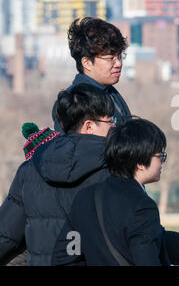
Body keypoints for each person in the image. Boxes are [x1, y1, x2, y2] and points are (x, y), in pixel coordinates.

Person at [52, 118, 179, 266]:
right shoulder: (141, 206)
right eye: (160, 155)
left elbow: (66, 255)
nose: (162, 161)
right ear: (139, 162)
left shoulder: (85, 197)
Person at [0, 84, 116, 265]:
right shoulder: (114, 169)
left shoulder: (28, 170)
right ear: (89, 126)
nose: (114, 126)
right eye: (110, 121)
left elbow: (6, 235)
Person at [52, 17, 131, 133]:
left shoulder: (109, 92)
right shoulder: (74, 102)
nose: (118, 63)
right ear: (87, 63)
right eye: (110, 58)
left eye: (119, 56)